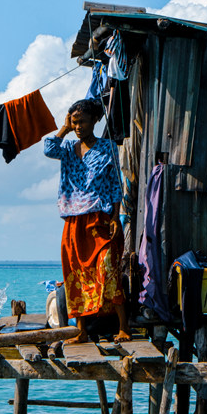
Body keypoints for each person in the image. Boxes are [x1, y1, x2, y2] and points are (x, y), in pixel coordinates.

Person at [43, 98, 131, 343]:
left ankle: (124, 326)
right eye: (75, 122)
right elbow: (49, 148)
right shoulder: (68, 148)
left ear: (95, 120)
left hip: (99, 218)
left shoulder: (108, 147)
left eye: (82, 121)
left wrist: (115, 216)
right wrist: (64, 128)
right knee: (76, 274)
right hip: (73, 220)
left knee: (108, 269)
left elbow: (116, 184)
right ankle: (81, 330)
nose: (79, 126)